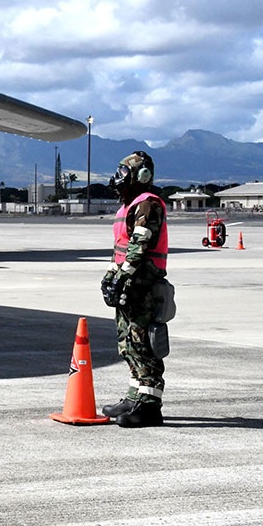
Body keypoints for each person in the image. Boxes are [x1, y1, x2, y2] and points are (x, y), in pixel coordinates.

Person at [100, 151, 169, 427]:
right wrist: (111, 275)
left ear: (141, 176)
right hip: (129, 282)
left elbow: (140, 246)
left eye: (124, 172)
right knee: (128, 342)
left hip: (143, 283)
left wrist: (122, 275)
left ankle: (150, 406)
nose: (119, 178)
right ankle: (134, 396)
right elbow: (122, 248)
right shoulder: (130, 205)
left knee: (144, 343)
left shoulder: (147, 204)